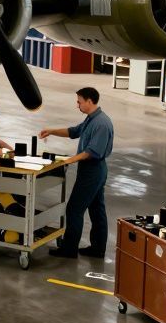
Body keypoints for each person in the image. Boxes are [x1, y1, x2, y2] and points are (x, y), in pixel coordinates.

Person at [39, 87, 114, 259]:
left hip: (93, 171)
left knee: (74, 209)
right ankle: (97, 249)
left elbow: (92, 151)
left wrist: (69, 160)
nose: (77, 105)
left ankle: (69, 249)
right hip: (93, 170)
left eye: (79, 102)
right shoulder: (92, 119)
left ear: (89, 101)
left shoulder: (101, 124)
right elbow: (74, 131)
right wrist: (52, 131)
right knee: (96, 210)